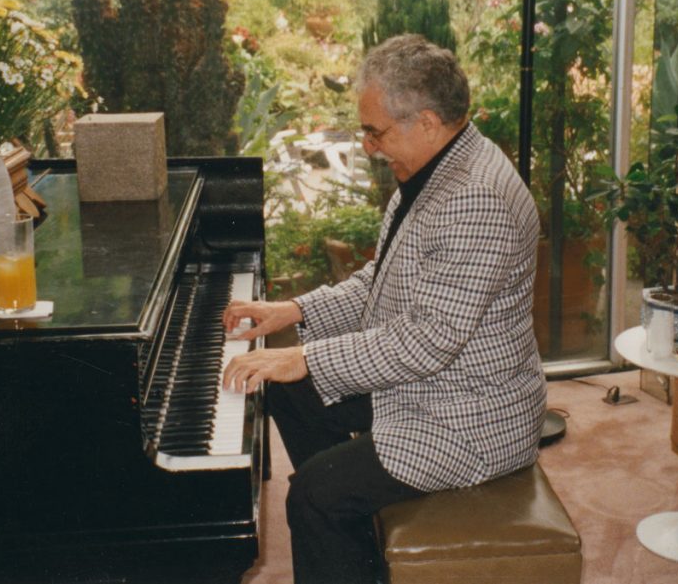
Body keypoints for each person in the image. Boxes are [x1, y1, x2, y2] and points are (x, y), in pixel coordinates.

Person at [222, 34, 545, 584]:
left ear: (426, 121)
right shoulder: (432, 169)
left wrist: (308, 358)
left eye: (375, 132)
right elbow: (383, 280)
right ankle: (356, 542)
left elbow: (430, 338)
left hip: (465, 417)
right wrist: (294, 311)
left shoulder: (474, 197)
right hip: (428, 388)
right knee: (286, 390)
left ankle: (340, 518)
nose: (368, 146)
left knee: (313, 496)